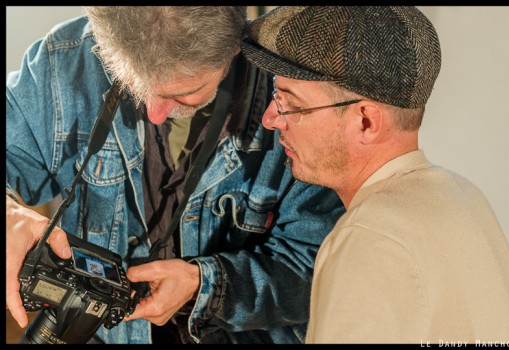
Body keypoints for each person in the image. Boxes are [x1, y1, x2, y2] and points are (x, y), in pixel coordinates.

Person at [6, 6, 345, 344]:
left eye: (182, 94)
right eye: (135, 83)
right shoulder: (64, 60)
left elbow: (317, 269)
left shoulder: (300, 101)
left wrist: (205, 284)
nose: (155, 113)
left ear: (234, 48)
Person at [241, 6, 509, 344]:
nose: (271, 119)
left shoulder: (369, 239)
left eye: (290, 104)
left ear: (366, 121)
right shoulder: (466, 198)